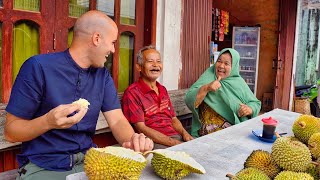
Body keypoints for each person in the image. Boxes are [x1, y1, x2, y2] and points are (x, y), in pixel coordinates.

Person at [4, 10, 153, 180]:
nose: (113, 49)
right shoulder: (38, 67)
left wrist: (134, 139)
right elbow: (11, 131)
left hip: (90, 162)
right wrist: (48, 121)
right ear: (96, 39)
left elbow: (117, 120)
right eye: (112, 42)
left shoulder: (102, 75)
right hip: (44, 166)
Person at [122, 45, 194, 149]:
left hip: (175, 138)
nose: (155, 65)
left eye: (158, 61)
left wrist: (185, 134)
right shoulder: (133, 93)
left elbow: (173, 119)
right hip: (154, 142)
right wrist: (174, 143)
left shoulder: (162, 89)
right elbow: (141, 128)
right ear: (139, 67)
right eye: (150, 61)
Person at [185, 48, 261, 137]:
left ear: (233, 67)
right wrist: (207, 88)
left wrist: (249, 109)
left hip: (234, 131)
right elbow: (189, 99)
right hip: (207, 133)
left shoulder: (238, 82)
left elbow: (256, 103)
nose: (221, 66)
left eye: (226, 63)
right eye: (219, 61)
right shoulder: (208, 76)